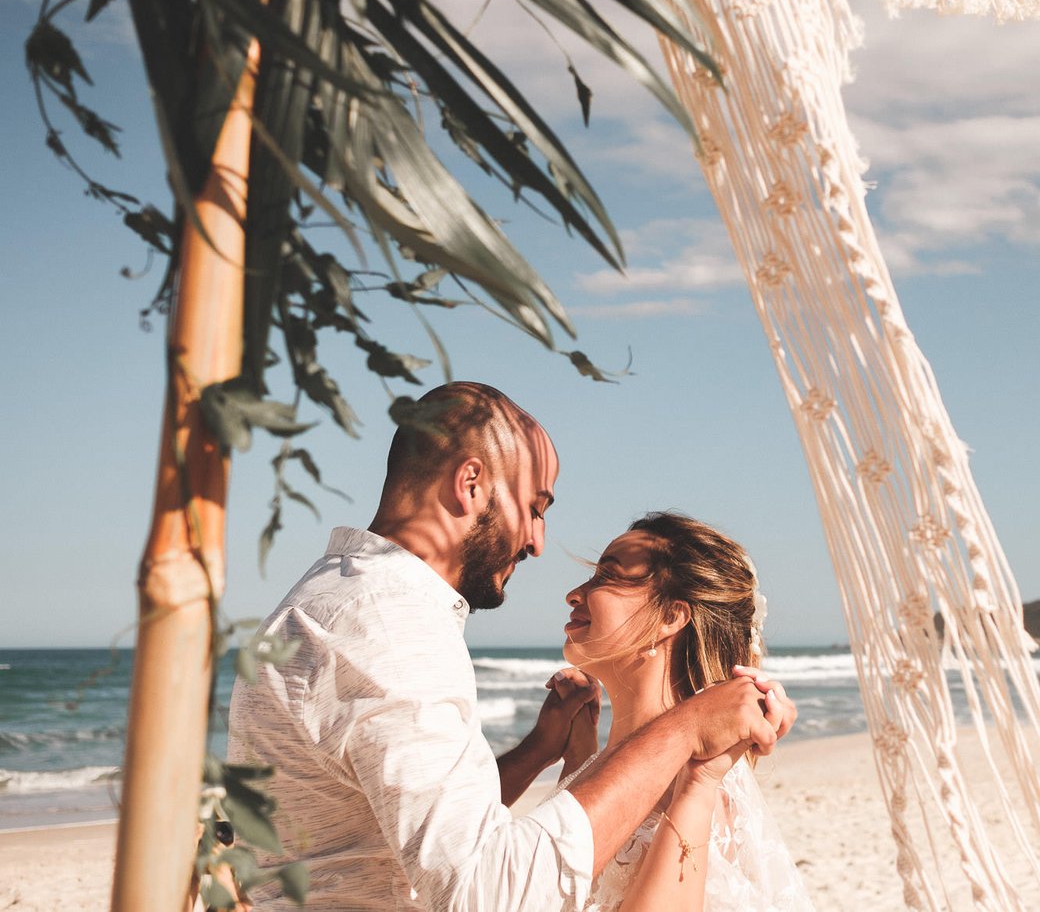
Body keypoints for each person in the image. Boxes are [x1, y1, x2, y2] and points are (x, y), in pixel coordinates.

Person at [226, 382, 795, 910]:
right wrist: (686, 729)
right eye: (535, 508)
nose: (537, 542)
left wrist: (541, 753)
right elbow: (487, 891)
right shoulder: (387, 623)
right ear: (470, 483)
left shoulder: (339, 602)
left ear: (674, 616)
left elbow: (408, 829)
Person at [553, 512, 813, 911]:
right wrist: (575, 753)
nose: (574, 593)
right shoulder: (605, 763)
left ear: (671, 616)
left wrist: (699, 783)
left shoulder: (698, 786)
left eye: (608, 576)